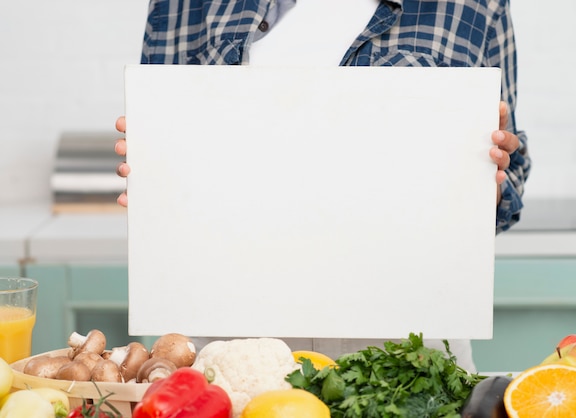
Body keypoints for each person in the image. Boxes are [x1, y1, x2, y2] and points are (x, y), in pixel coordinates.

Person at [114, 0, 531, 373]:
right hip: (231, 350)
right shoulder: (183, 4)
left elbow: (511, 177)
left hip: (407, 347)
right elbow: (165, 142)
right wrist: (154, 181)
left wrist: (483, 183)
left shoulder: (475, 5)